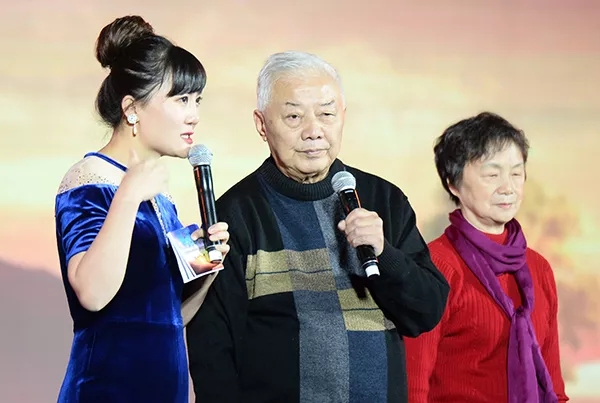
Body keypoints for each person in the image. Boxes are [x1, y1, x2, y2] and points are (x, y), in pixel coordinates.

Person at [185, 50, 450, 403]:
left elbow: (426, 312)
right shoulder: (232, 214)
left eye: (326, 114)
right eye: (294, 116)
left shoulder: (384, 199)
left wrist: (384, 253)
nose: (313, 132)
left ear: (343, 117)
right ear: (262, 125)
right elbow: (211, 349)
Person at [54, 15, 230, 402]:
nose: (194, 114)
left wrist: (207, 264)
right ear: (132, 108)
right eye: (181, 99)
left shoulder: (161, 196)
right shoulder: (89, 178)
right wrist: (128, 196)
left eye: (197, 100)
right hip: (106, 388)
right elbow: (92, 293)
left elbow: (171, 317)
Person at [404, 112, 568, 402]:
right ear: (453, 184)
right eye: (492, 175)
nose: (508, 188)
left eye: (516, 173)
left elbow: (553, 387)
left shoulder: (538, 268)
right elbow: (413, 387)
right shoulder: (435, 266)